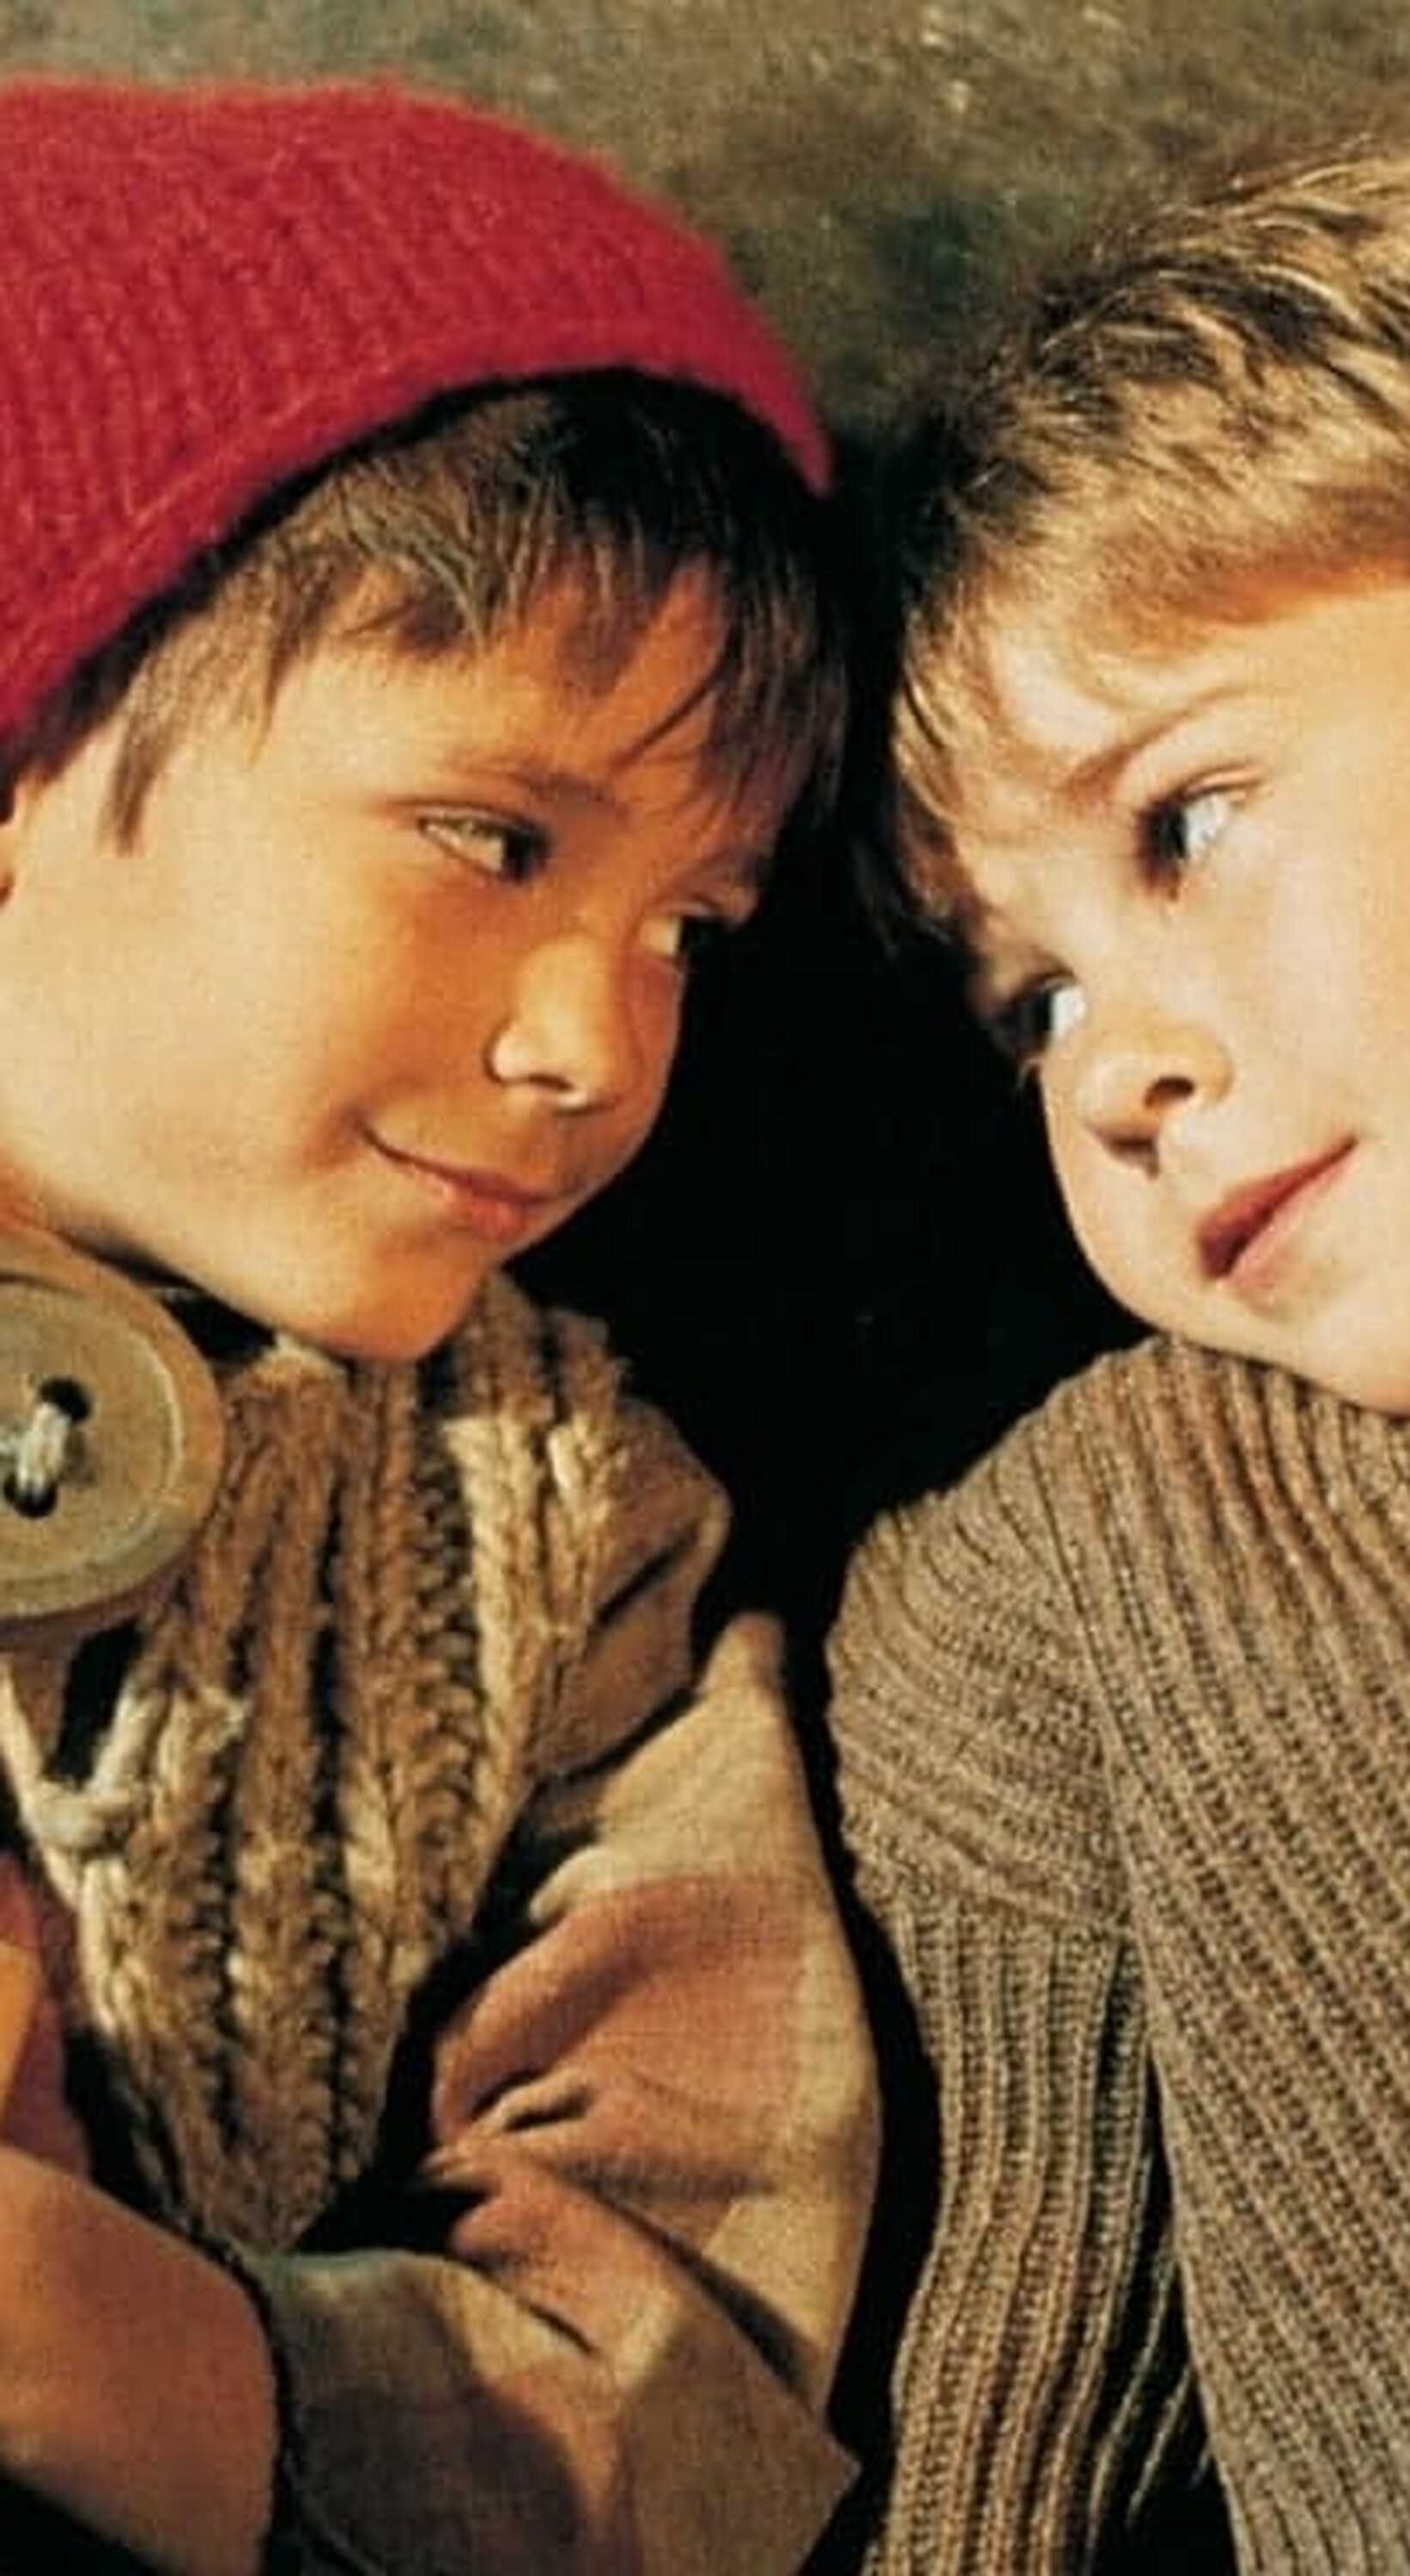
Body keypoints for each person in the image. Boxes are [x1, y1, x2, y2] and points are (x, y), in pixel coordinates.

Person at [824, 82, 1410, 2573]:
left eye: (1186, 824)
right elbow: (998, 2459)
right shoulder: (1092, 1577)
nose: (1108, 1070)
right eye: (1025, 1008)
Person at [0, 76, 878, 2576]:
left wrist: (95, 2340)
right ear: (31, 754)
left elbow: (692, 2367)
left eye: (688, 930)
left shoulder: (570, 1540)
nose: (598, 1044)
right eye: (491, 840)